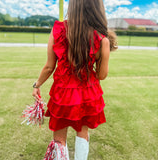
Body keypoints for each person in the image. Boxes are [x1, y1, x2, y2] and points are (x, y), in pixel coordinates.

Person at [32, 0, 117, 159]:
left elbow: (50, 67)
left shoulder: (59, 30)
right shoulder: (102, 39)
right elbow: (101, 75)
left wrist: (36, 84)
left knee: (59, 138)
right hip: (88, 94)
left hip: (62, 94)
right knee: (82, 133)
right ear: (97, 8)